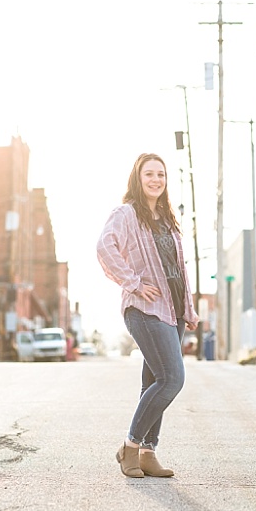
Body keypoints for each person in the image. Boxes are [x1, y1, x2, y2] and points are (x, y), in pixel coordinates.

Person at [96, 152, 198, 478]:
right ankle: (129, 445)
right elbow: (104, 247)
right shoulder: (126, 214)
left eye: (161, 175)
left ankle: (148, 452)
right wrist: (134, 283)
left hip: (173, 310)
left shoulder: (168, 220)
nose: (156, 180)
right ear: (138, 179)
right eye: (149, 174)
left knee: (154, 381)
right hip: (144, 309)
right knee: (172, 378)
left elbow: (179, 270)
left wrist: (189, 308)